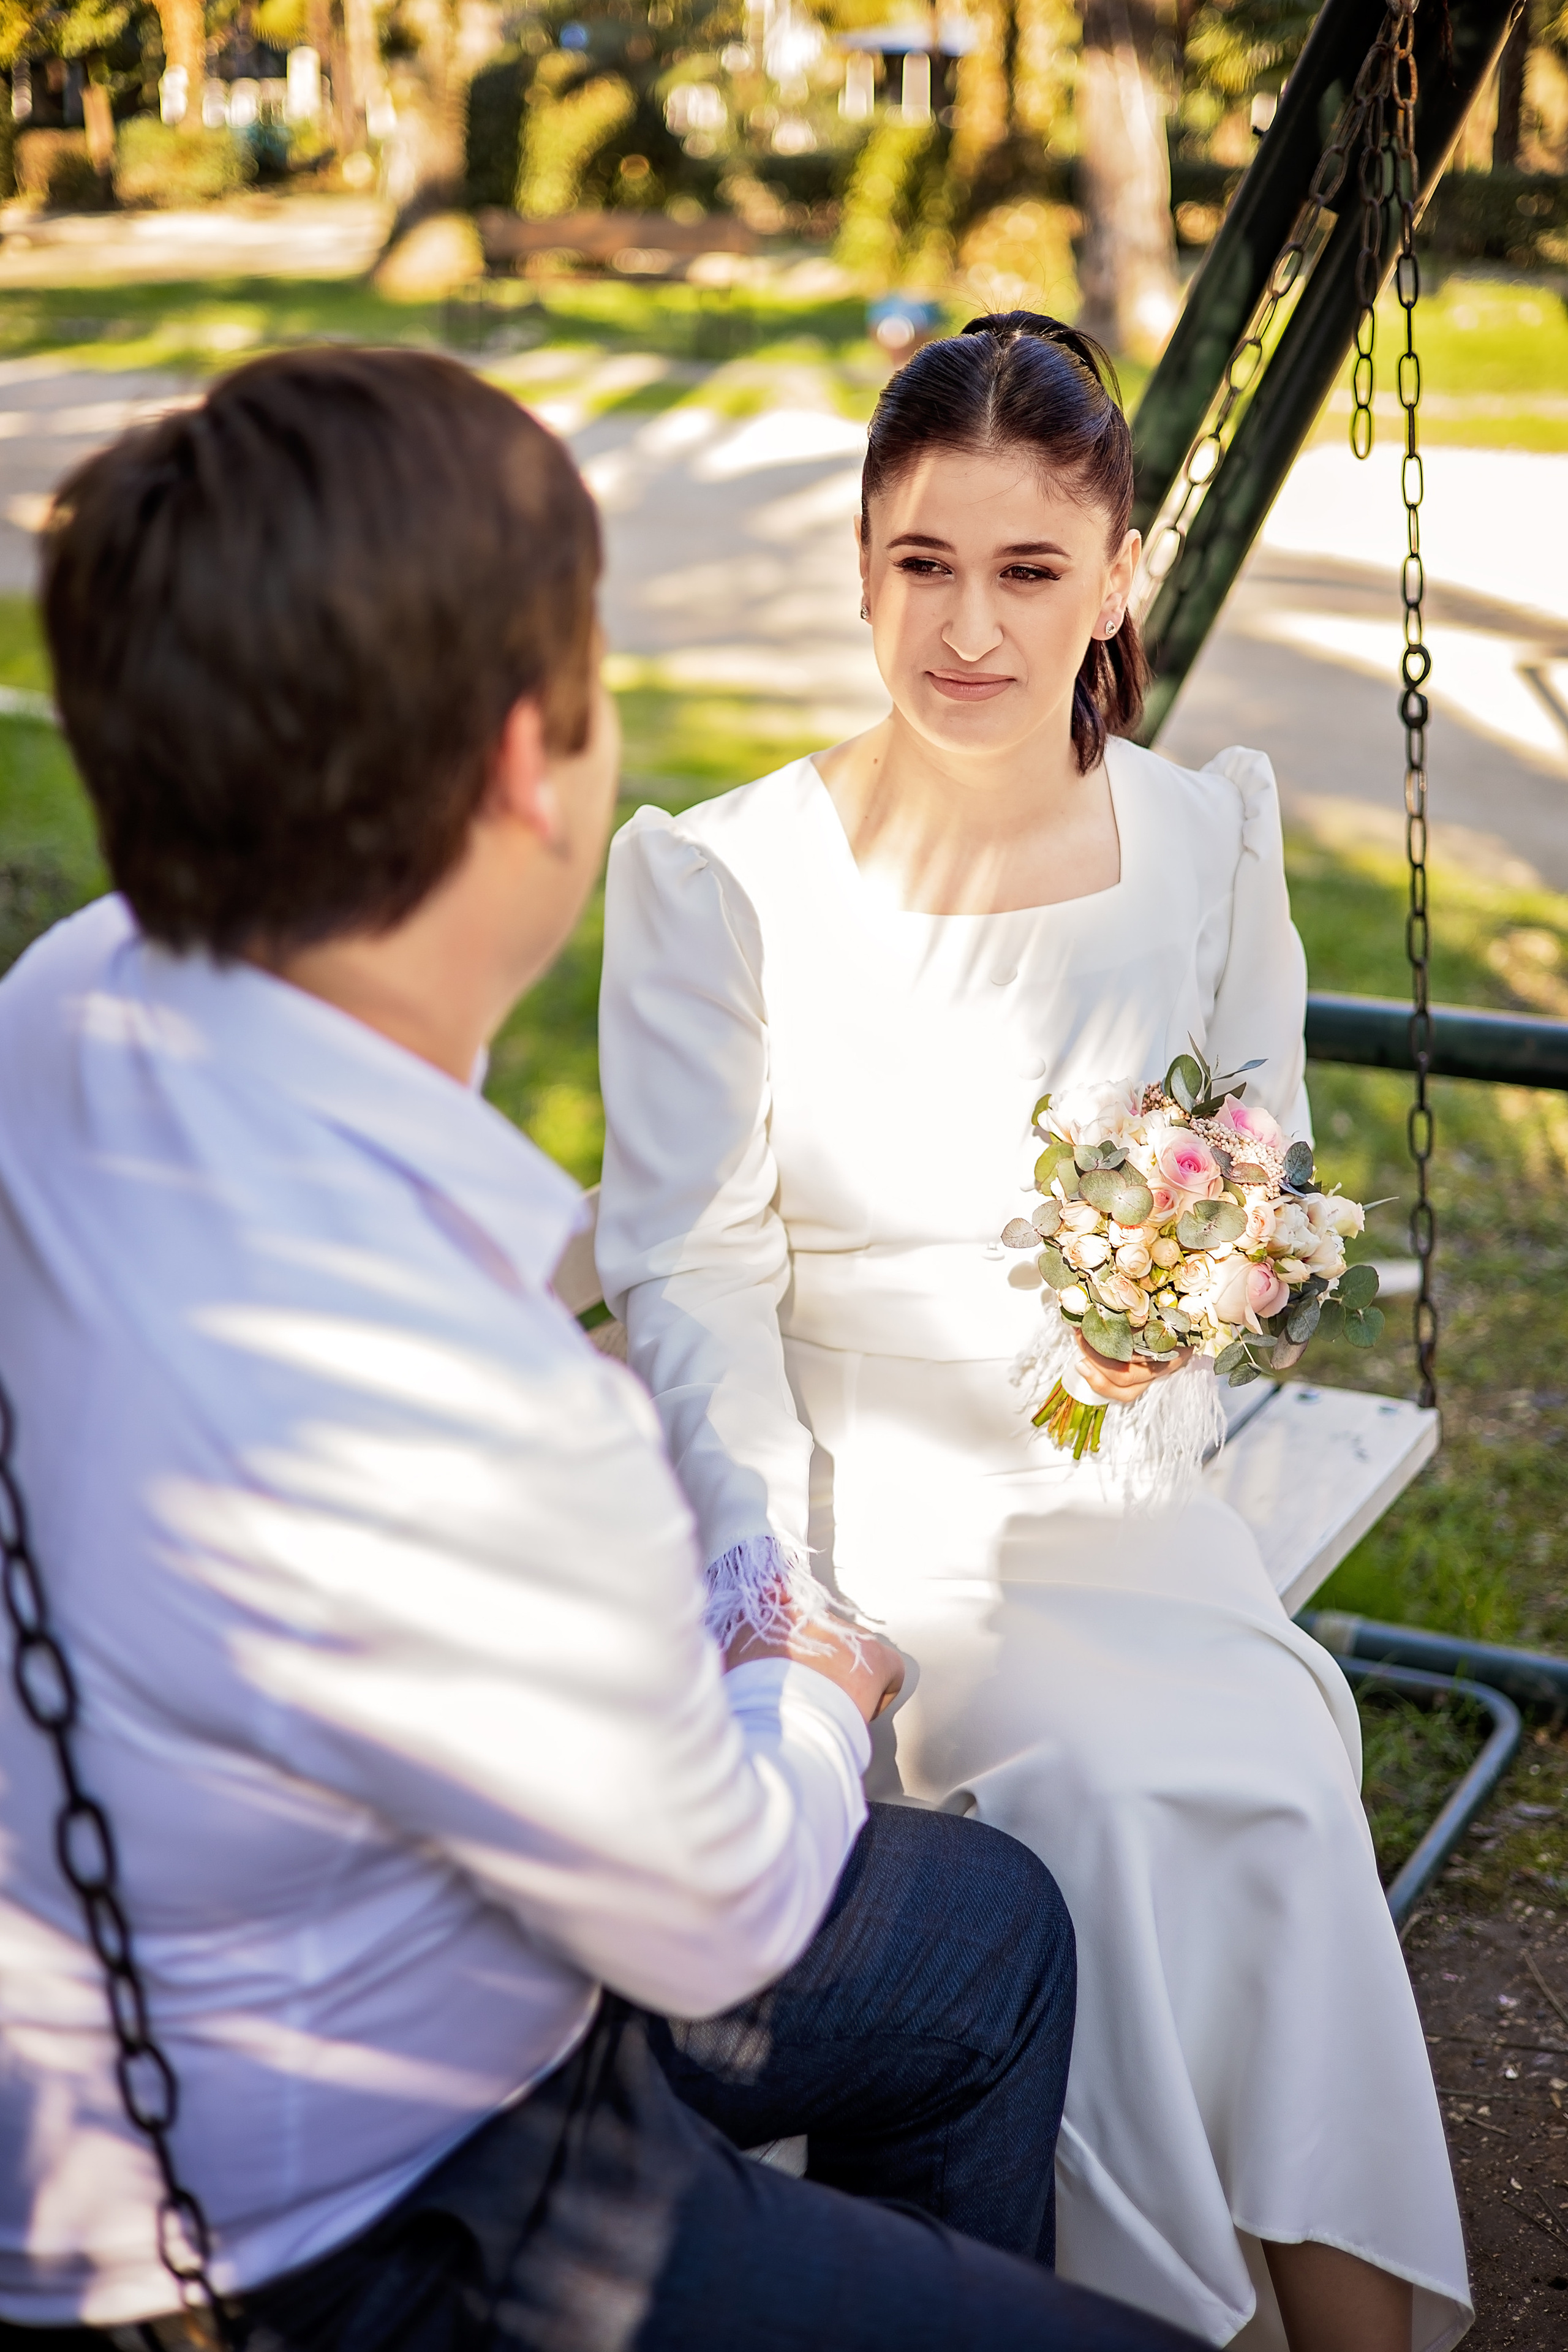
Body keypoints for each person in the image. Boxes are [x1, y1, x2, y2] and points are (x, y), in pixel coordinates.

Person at [0, 347, 1197, 2352]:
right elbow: (716, 1908)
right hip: (356, 2211)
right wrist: (807, 1683)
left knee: (988, 1936)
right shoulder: (469, 1399)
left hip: (156, 1997)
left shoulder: (56, 1011)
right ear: (524, 773)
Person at [594, 315, 1472, 2352]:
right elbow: (692, 1274)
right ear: (865, 559)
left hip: (1121, 1496)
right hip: (857, 1516)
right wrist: (776, 1579)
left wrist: (1199, 1305)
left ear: (1119, 579)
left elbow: (1266, 1162)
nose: (968, 631)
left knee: (1266, 1789)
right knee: (1108, 1786)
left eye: (1027, 571)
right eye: (923, 565)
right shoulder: (729, 880)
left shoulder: (1206, 836)